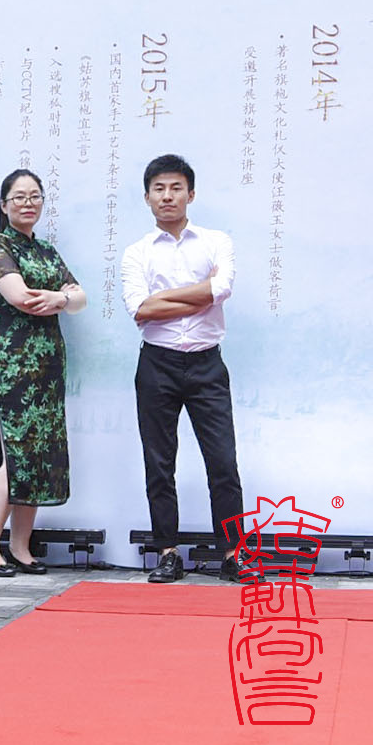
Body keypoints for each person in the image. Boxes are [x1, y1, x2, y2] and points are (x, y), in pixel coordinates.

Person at [122, 153, 245, 583]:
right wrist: (201, 294)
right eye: (159, 188)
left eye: (176, 187)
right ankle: (168, 553)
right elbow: (140, 309)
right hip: (157, 364)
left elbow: (222, 288)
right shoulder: (136, 252)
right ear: (147, 197)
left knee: (223, 463)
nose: (167, 195)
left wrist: (167, 299)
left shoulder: (216, 241)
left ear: (191, 194)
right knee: (160, 463)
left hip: (208, 364)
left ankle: (233, 554)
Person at [0, 167, 83, 578]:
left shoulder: (48, 251)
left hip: (50, 364)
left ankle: (20, 547)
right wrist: (60, 297)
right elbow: (22, 299)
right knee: (16, 453)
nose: (28, 203)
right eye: (19, 197)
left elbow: (81, 298)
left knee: (39, 455)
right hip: (15, 363)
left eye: (34, 196)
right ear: (4, 205)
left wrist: (61, 298)